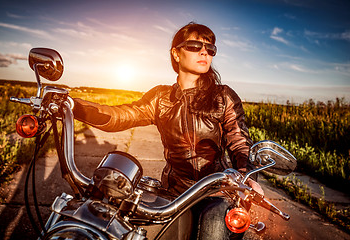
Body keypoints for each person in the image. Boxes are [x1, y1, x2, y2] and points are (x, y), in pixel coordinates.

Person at [72, 22, 263, 239]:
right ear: (176, 53)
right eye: (194, 45)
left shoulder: (223, 96)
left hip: (216, 192)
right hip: (174, 192)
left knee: (214, 227)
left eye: (210, 49)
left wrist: (247, 175)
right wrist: (73, 106)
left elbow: (239, 140)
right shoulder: (161, 98)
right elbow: (122, 115)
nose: (204, 52)